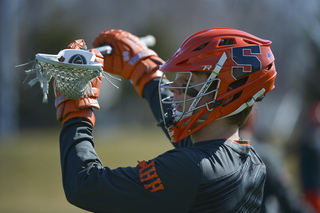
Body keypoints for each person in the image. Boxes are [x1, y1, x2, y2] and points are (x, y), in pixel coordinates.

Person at [55, 28, 277, 212]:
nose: (175, 89)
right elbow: (184, 129)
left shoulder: (190, 170)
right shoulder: (252, 162)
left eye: (186, 82)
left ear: (223, 94)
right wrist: (145, 70)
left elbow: (84, 185)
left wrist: (76, 109)